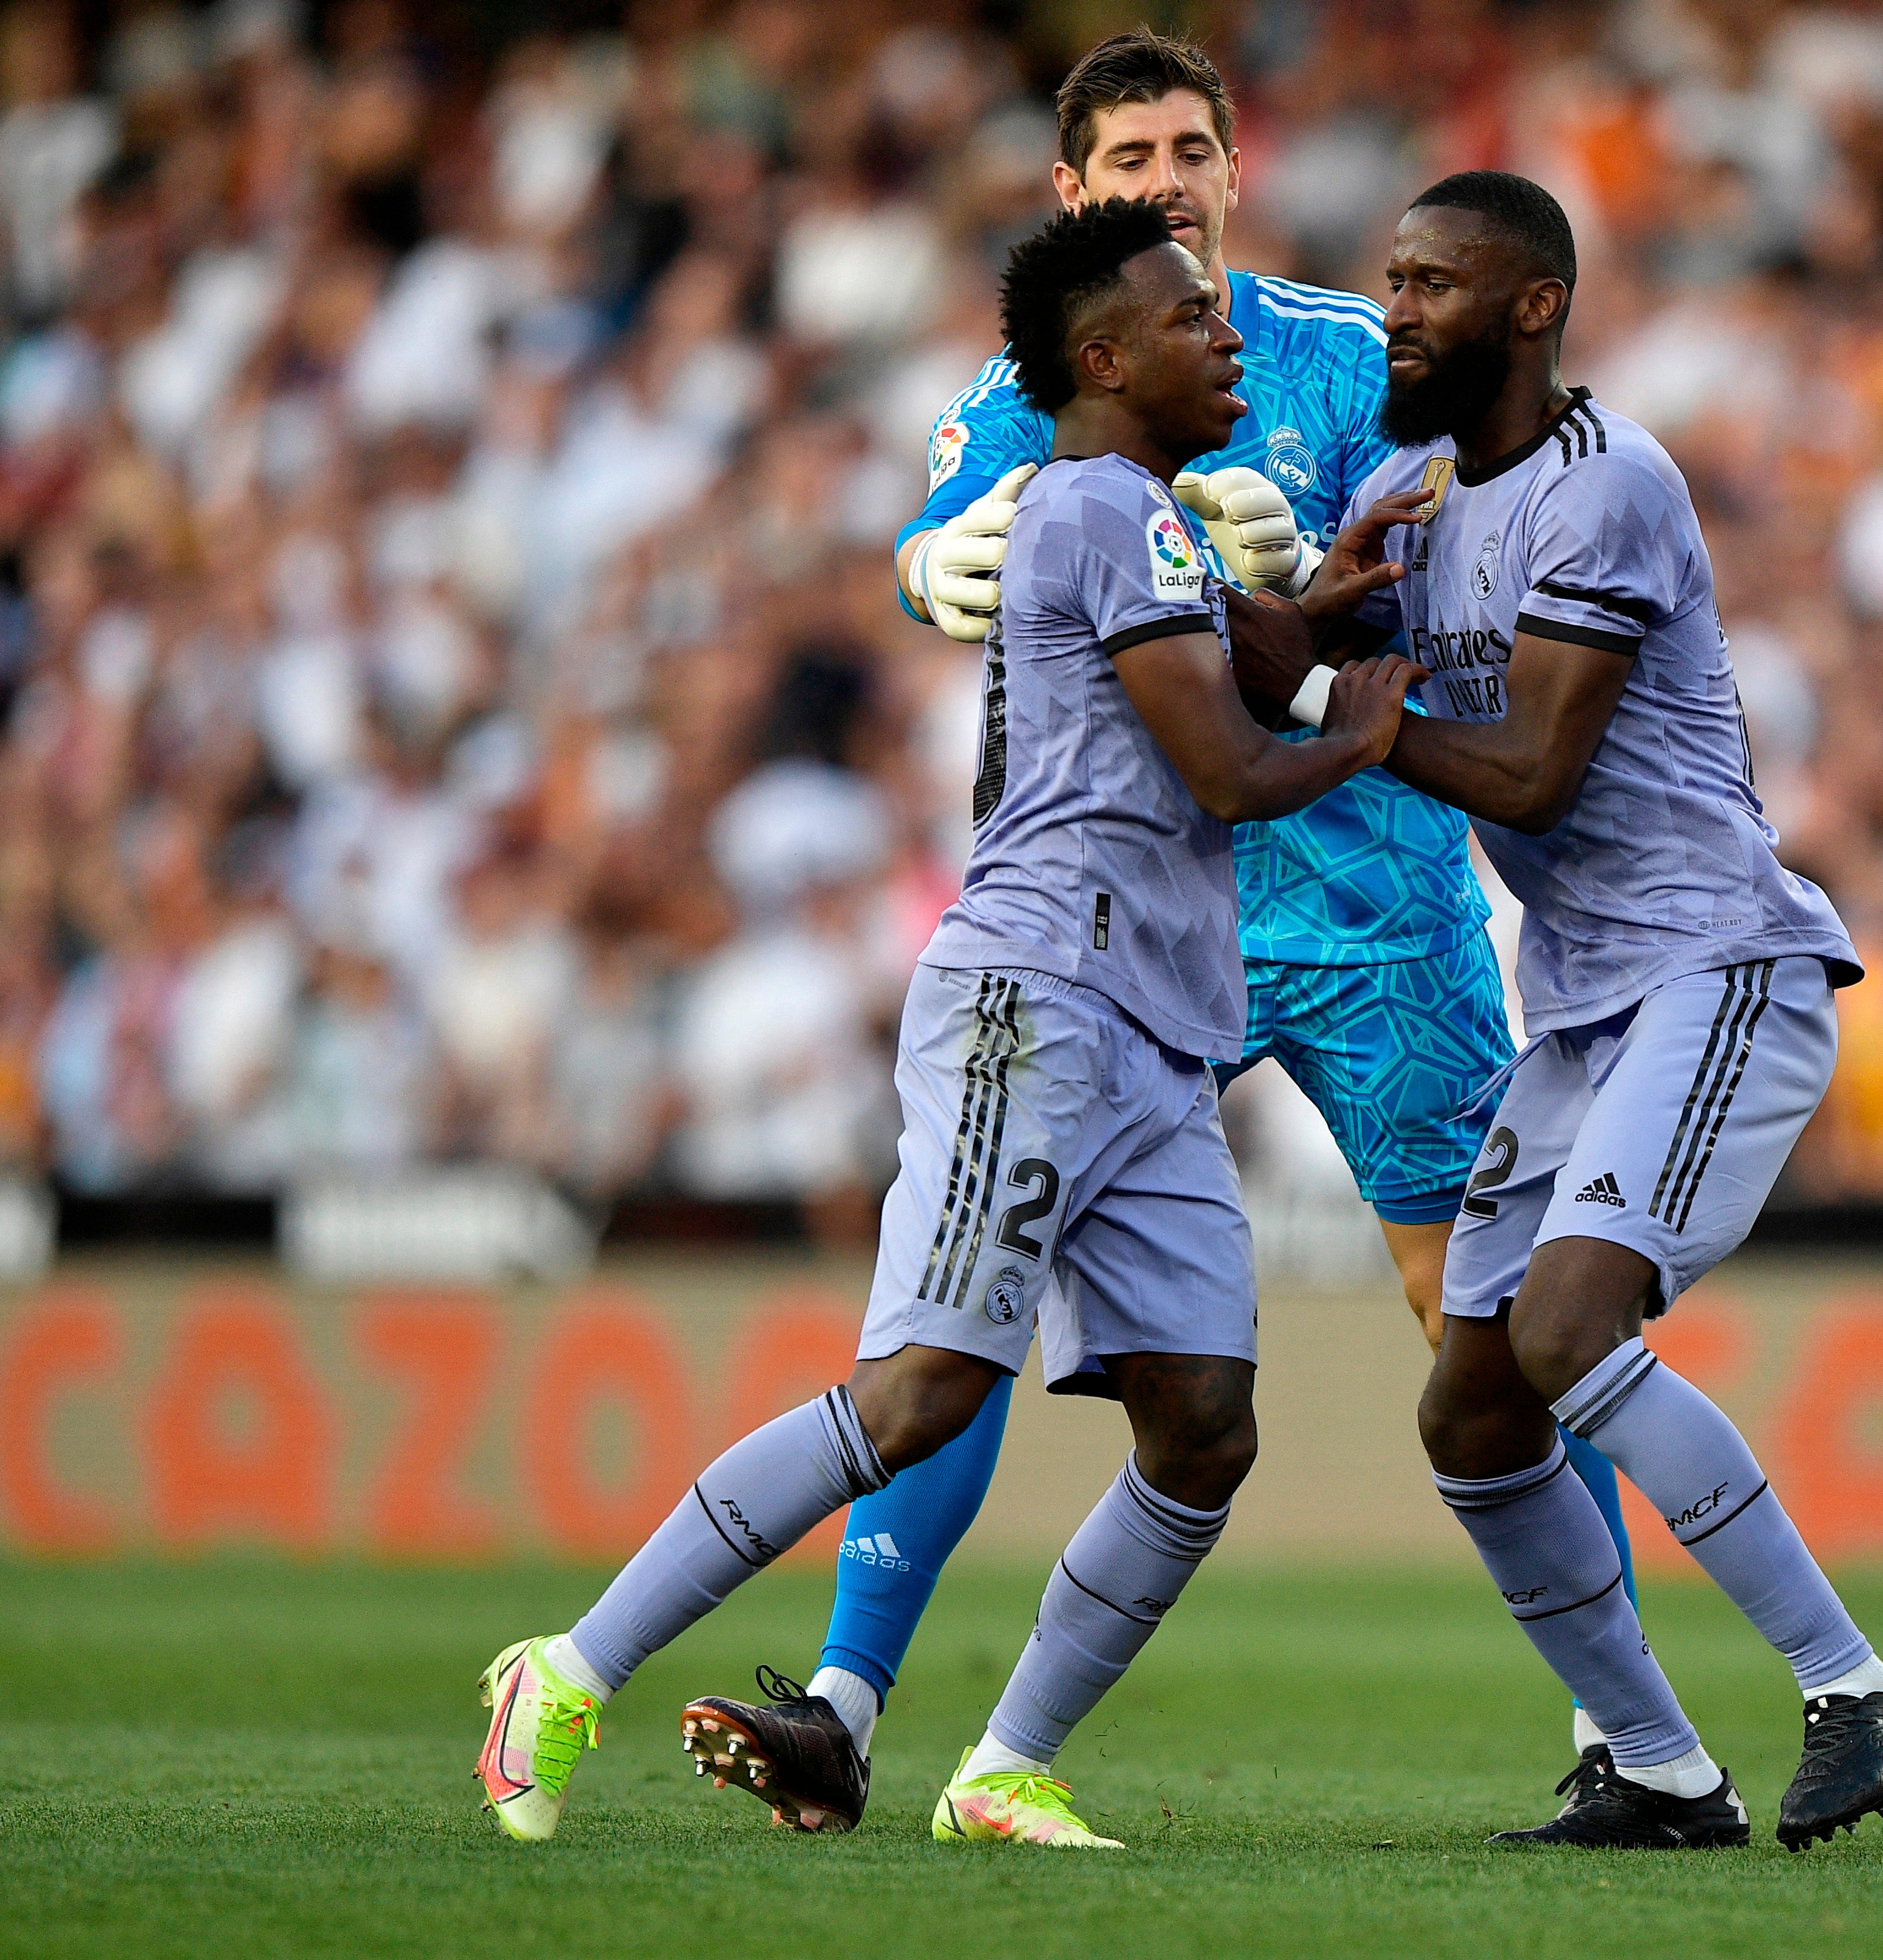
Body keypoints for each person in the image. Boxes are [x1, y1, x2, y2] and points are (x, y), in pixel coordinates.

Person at [690, 28, 1641, 1834]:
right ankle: (840, 1704)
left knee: (1500, 1317)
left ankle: (1622, 1734)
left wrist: (1324, 572)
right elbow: (946, 526)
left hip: (1373, 915)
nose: (1165, 180)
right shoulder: (1030, 377)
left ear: (1232, 165)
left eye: (1190, 147)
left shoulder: (1353, 352)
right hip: (1133, 934)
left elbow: (1466, 544)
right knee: (962, 1325)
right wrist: (925, 566)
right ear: (1072, 195)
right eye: (1128, 156)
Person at [475, 195, 1422, 1848]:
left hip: (1153, 1031)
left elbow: (1237, 661)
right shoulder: (1088, 511)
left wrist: (1326, 612)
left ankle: (1003, 1768)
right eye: (1194, 321)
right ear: (1105, 358)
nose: (1228, 342)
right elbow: (1231, 762)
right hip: (1034, 1003)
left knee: (1202, 1427)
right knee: (916, 1396)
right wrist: (1367, 729)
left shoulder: (1151, 520)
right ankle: (566, 1666)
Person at [1307, 171, 1883, 1851]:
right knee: (1471, 1406)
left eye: (1434, 281)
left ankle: (1850, 1684)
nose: (1398, 308)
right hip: (1586, 998)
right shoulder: (1406, 493)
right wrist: (1289, 610)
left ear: (1531, 306)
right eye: (1390, 276)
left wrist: (1349, 712)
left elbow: (1529, 766)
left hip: (1714, 963)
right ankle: (1659, 1767)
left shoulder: (1613, 487)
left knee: (1567, 1329)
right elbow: (1301, 670)